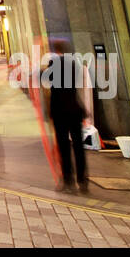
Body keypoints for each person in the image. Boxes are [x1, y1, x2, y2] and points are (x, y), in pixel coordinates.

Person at [41, 38, 92, 193]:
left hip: (60, 112)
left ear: (55, 50)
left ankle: (68, 179)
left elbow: (46, 81)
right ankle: (82, 180)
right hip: (74, 110)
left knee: (63, 146)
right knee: (78, 146)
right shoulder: (74, 64)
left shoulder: (53, 63)